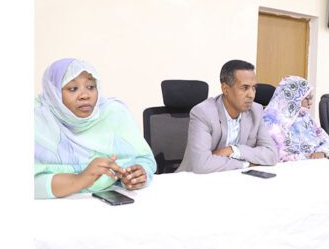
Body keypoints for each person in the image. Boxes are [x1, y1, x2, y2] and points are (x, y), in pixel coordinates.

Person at [34, 58, 157, 199]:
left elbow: (144, 159)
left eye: (91, 87)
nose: (85, 96)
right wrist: (80, 179)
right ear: (53, 92)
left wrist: (138, 175)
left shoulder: (113, 113)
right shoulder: (38, 120)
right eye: (73, 89)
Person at [178, 60, 278, 173]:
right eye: (244, 87)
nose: (251, 95)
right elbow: (202, 165)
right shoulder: (203, 113)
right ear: (225, 89)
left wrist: (233, 150)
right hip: (195, 178)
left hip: (235, 177)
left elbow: (272, 155)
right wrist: (246, 164)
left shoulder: (256, 111)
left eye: (254, 88)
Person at [262, 75, 329, 161]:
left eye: (311, 98)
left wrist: (322, 152)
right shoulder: (271, 122)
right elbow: (278, 154)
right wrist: (309, 157)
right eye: (307, 98)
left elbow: (325, 140)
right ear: (293, 98)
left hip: (316, 162)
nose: (310, 102)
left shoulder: (305, 116)